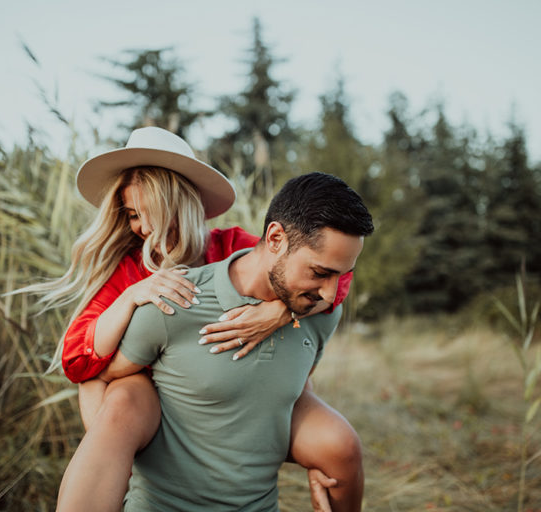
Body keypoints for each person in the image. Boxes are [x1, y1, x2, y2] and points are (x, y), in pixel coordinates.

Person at [23, 127, 363, 511]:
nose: (144, 228)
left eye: (152, 213)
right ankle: (125, 483)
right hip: (148, 395)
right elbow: (78, 361)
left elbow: (315, 269)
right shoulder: (132, 271)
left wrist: (278, 310)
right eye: (133, 215)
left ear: (184, 205)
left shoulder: (231, 247)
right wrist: (132, 296)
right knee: (116, 396)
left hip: (230, 391)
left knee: (332, 433)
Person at [97, 171, 374, 511]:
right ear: (275, 239)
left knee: (340, 443)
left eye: (341, 275)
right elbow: (98, 370)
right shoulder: (168, 298)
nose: (330, 294)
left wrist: (318, 456)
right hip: (162, 487)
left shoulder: (318, 311)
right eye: (319, 273)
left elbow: (296, 386)